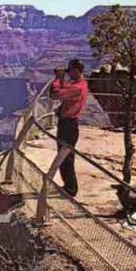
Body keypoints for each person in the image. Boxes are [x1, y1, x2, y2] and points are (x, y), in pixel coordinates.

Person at [49, 58, 88, 197]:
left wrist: (56, 79)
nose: (69, 73)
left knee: (65, 158)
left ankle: (71, 189)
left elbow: (54, 94)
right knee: (65, 158)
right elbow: (65, 88)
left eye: (70, 70)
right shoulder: (79, 84)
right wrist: (61, 80)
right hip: (69, 124)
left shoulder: (77, 88)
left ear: (77, 70)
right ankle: (69, 187)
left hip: (68, 126)